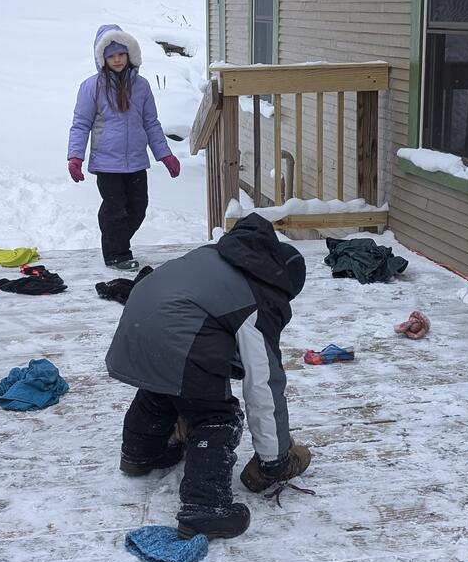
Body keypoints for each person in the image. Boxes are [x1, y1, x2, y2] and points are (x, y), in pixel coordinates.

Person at [106, 213, 313, 539]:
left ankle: (140, 454)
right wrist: (274, 461)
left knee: (165, 386)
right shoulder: (257, 296)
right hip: (176, 333)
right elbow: (263, 384)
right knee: (216, 415)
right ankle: (205, 508)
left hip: (135, 323)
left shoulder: (216, 256)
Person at [67, 23, 181, 271]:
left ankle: (115, 241)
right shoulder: (91, 87)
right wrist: (75, 157)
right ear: (102, 58)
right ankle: (117, 254)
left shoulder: (141, 86)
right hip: (107, 163)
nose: (117, 60)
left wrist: (166, 155)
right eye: (111, 56)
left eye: (121, 54)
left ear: (130, 54)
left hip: (137, 162)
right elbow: (80, 124)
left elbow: (151, 123)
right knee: (115, 209)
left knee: (138, 208)